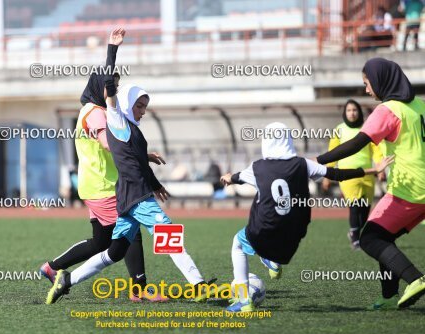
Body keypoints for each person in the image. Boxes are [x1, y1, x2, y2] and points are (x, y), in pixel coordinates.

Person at [46, 29, 216, 305]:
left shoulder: (131, 129)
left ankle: (67, 280)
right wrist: (112, 49)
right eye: (139, 105)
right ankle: (197, 285)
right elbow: (109, 88)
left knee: (112, 252)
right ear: (125, 103)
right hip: (134, 197)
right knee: (168, 235)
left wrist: (156, 183)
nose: (143, 110)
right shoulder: (115, 120)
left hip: (127, 195)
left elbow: (135, 160)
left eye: (145, 105)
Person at [40, 28, 165, 302]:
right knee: (131, 231)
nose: (115, 91)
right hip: (103, 186)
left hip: (96, 184)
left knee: (102, 242)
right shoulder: (95, 114)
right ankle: (139, 289)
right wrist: (140, 155)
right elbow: (110, 144)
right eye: (112, 88)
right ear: (100, 88)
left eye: (117, 88)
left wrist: (143, 156)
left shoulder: (91, 110)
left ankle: (52, 268)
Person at [221, 122, 394, 312]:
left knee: (238, 243)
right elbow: (338, 174)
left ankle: (244, 300)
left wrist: (229, 177)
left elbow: (235, 178)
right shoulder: (303, 164)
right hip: (295, 233)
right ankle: (271, 258)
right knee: (274, 228)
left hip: (263, 229)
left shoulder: (257, 167)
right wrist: (373, 170)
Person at [316, 57, 425, 310]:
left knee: (369, 239)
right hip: (418, 189)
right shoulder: (419, 106)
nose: (367, 89)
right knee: (382, 238)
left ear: (381, 81)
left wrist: (318, 162)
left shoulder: (388, 110)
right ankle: (389, 296)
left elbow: (357, 142)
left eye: (367, 83)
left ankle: (415, 279)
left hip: (409, 191)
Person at [322, 99, 384, 249]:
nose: (352, 113)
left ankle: (355, 232)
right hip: (347, 175)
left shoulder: (367, 129)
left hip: (368, 173)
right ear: (345, 112)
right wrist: (326, 174)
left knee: (365, 209)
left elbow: (376, 150)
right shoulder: (339, 130)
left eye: (354, 110)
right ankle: (355, 238)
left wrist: (379, 167)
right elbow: (332, 153)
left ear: (359, 112)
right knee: (355, 205)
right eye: (349, 110)